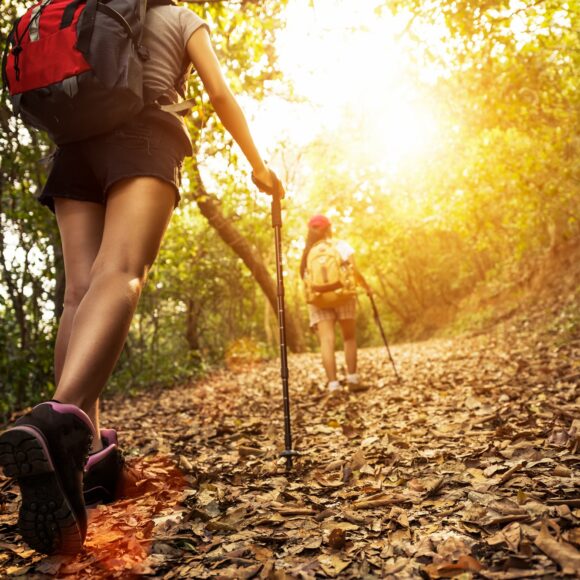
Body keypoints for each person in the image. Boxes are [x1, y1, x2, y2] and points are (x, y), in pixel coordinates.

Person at [0, 0, 282, 555]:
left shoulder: (87, 12)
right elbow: (220, 93)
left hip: (74, 151)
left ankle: (76, 461)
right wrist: (257, 164)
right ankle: (60, 421)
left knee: (78, 293)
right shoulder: (179, 18)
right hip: (144, 136)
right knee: (123, 271)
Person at [300, 214, 371, 394]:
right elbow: (353, 271)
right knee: (349, 337)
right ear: (329, 228)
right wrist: (366, 287)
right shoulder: (341, 245)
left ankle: (333, 385)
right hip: (343, 295)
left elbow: (305, 277)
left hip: (318, 299)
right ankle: (353, 379)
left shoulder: (308, 251)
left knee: (326, 340)